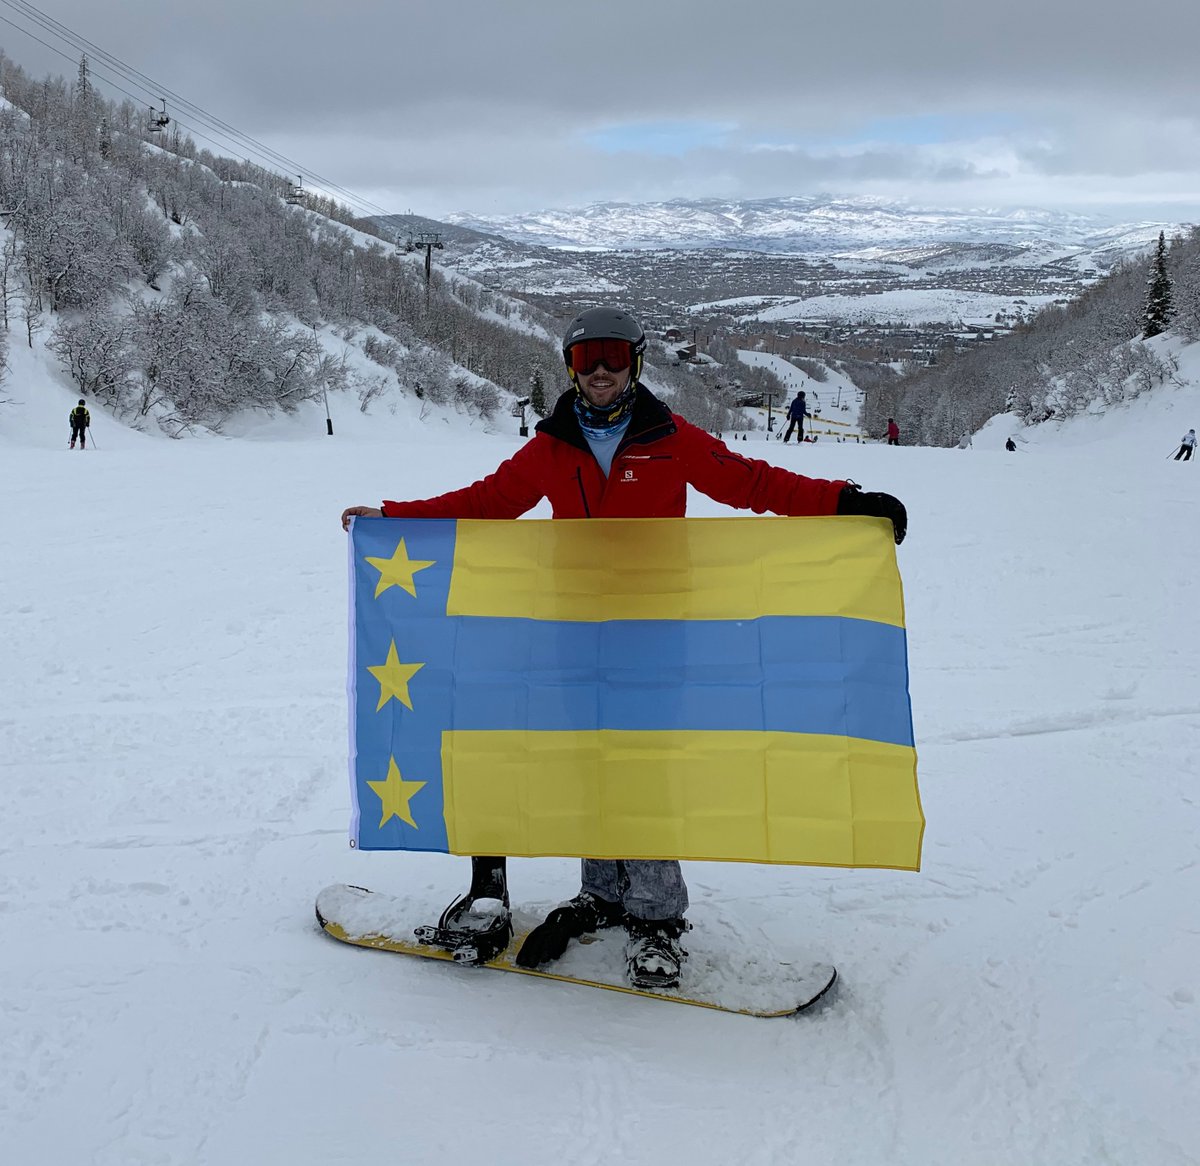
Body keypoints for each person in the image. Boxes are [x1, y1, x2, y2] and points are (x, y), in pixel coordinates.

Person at [340, 307, 907, 988]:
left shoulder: (671, 438)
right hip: (573, 633)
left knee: (642, 764)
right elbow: (489, 501)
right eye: (586, 359)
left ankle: (656, 917)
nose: (600, 371)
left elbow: (751, 482)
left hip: (654, 634)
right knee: (590, 759)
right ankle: (604, 892)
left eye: (612, 356)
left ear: (636, 362)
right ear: (570, 369)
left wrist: (844, 502)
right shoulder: (551, 446)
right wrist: (394, 519)